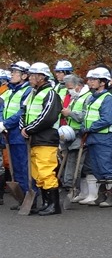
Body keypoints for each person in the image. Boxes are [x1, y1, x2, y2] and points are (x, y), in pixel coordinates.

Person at [19, 63, 62, 215]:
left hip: (46, 138)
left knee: (46, 171)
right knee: (37, 173)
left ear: (42, 77)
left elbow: (47, 118)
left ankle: (54, 205)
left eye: (33, 75)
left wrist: (28, 129)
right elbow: (24, 112)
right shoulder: (32, 93)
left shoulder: (50, 94)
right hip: (35, 138)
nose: (30, 78)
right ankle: (46, 202)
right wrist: (23, 127)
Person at [77, 68, 112, 207]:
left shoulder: (108, 98)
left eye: (94, 80)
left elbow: (107, 119)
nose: (90, 82)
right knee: (96, 168)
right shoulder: (91, 97)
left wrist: (89, 128)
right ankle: (102, 195)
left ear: (103, 82)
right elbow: (86, 116)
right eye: (90, 79)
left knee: (106, 166)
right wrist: (83, 128)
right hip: (92, 137)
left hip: (104, 137)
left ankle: (111, 196)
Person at [1, 61, 33, 201]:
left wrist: (5, 123)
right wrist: (1, 122)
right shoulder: (10, 91)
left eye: (15, 72)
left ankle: (29, 197)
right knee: (15, 168)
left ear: (24, 76)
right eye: (12, 72)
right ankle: (21, 198)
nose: (12, 75)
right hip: (9, 133)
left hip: (20, 133)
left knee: (24, 167)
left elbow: (22, 112)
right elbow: (2, 108)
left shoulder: (28, 91)